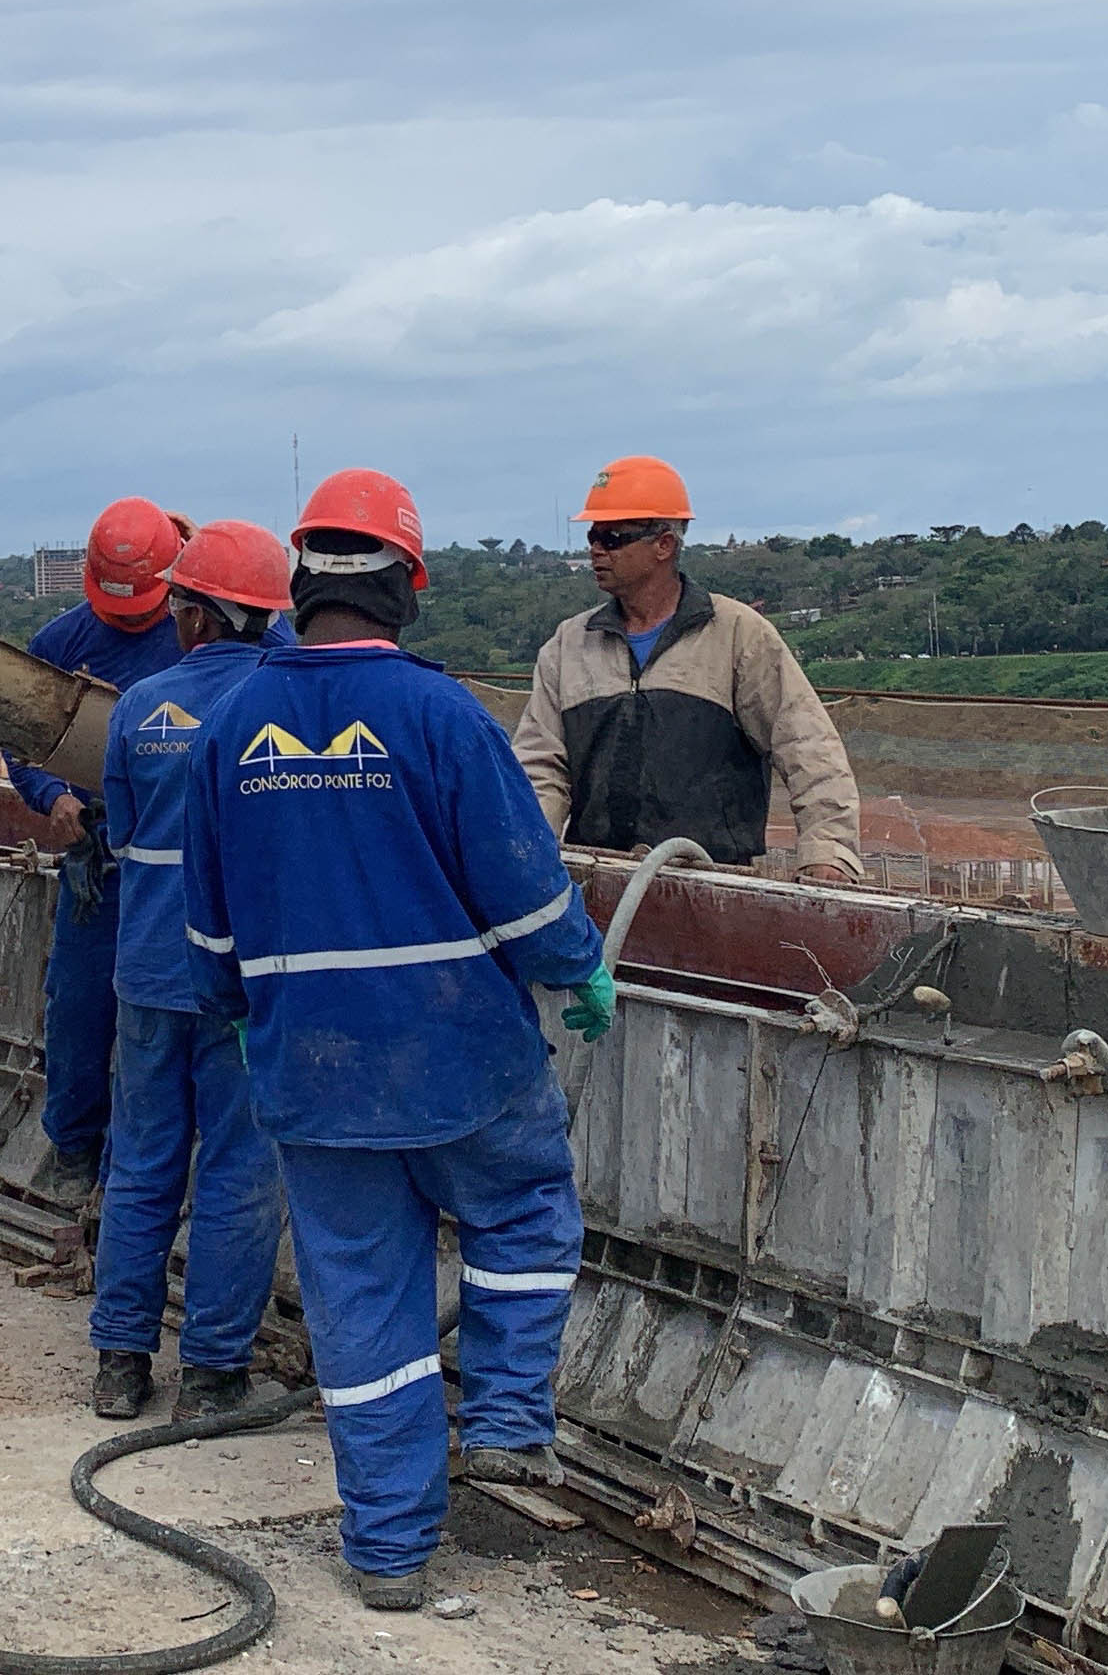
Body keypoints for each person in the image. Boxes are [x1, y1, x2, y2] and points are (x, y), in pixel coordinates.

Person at [180, 469, 612, 1612]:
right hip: (457, 1055)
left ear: (298, 586)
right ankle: (512, 1420)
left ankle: (387, 1556)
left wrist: (251, 1012)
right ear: (409, 586)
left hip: (312, 1077)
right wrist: (580, 967)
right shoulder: (440, 716)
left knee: (363, 1307)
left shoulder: (227, 733)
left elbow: (210, 932)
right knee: (522, 1210)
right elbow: (523, 895)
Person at [85, 520, 293, 1425]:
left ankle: (120, 1363)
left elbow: (123, 838)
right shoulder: (282, 707)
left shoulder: (140, 708)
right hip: (248, 980)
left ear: (201, 614)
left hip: (150, 970)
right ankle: (212, 1374)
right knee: (240, 1171)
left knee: (141, 1164)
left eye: (177, 602)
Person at [513, 454, 865, 880]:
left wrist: (827, 853)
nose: (595, 550)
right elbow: (540, 768)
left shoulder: (737, 635)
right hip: (596, 879)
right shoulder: (570, 643)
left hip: (716, 885)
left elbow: (808, 748)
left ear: (664, 544)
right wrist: (527, 857)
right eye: (593, 535)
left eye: (613, 537)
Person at [6, 496, 188, 1196]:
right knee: (81, 1009)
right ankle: (77, 1151)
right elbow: (20, 740)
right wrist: (52, 795)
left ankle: (161, 1159)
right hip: (102, 860)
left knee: (191, 1015)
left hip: (189, 862)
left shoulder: (209, 634)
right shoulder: (60, 646)